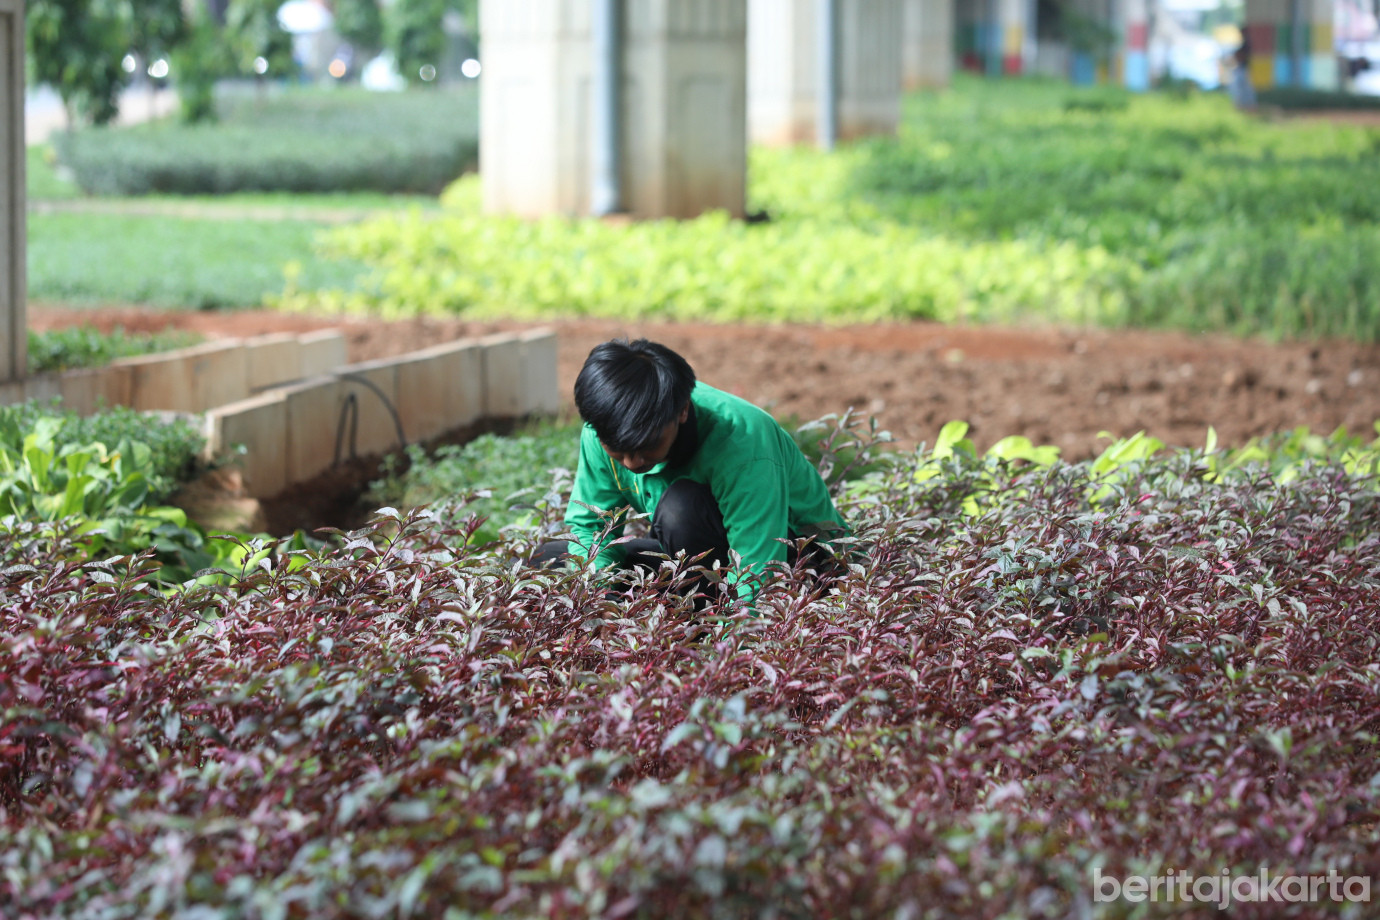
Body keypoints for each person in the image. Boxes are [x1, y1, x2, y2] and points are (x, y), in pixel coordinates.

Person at [532, 338, 848, 606]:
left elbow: (759, 568)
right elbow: (591, 527)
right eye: (618, 449)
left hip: (798, 562)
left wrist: (727, 657)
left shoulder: (743, 441)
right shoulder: (604, 428)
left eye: (646, 446)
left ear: (682, 410)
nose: (631, 462)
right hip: (703, 556)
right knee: (545, 559)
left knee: (680, 511)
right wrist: (595, 604)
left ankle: (703, 628)